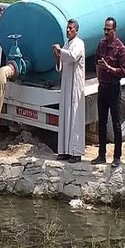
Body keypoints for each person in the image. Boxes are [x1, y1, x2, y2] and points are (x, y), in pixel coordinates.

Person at [92, 17, 125, 166]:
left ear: (115, 30)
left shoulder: (120, 48)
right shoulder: (101, 44)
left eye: (109, 29)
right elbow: (96, 62)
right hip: (103, 88)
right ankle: (101, 155)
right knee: (101, 123)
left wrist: (109, 69)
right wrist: (99, 75)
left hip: (114, 88)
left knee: (116, 123)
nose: (106, 32)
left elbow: (124, 71)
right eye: (104, 29)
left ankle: (117, 157)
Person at [53, 19, 86, 163]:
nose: (68, 31)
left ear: (76, 30)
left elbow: (72, 57)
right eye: (67, 28)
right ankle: (65, 150)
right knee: (66, 115)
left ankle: (76, 151)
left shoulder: (79, 43)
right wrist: (57, 55)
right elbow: (61, 64)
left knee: (75, 116)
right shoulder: (67, 44)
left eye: (71, 28)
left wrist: (60, 50)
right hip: (66, 84)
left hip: (75, 86)